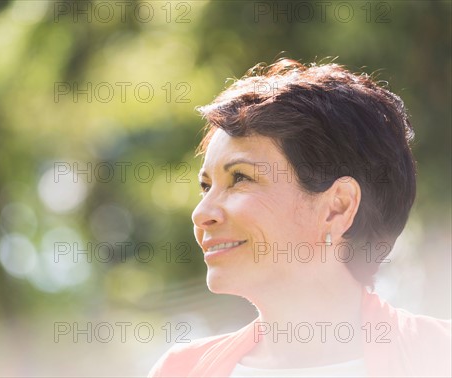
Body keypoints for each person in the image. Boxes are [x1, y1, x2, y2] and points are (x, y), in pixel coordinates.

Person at [148, 58, 451, 377]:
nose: (201, 213)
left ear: (337, 207)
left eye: (240, 178)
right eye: (206, 187)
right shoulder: (180, 371)